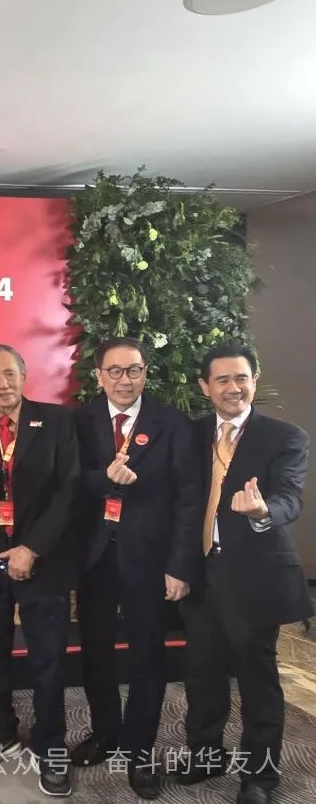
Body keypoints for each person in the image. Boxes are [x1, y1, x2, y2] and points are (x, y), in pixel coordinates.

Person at [174, 344, 311, 804]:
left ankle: (260, 776)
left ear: (254, 380)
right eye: (223, 380)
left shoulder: (284, 436)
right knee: (202, 673)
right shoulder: (191, 434)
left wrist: (262, 510)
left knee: (257, 679)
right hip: (201, 572)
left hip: (255, 576)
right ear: (205, 386)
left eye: (241, 378)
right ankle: (206, 755)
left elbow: (289, 496)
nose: (233, 388)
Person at [70, 337, 201, 799]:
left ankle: (140, 750)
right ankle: (106, 732)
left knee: (148, 656)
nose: (125, 380)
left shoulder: (173, 423)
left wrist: (180, 566)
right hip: (94, 558)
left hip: (150, 561)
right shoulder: (79, 420)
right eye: (115, 371)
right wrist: (103, 479)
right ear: (99, 375)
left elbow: (190, 500)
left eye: (134, 370)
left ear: (145, 372)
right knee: (95, 652)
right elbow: (68, 483)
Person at [0, 343, 80, 797]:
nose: (2, 384)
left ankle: (51, 746)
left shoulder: (57, 420)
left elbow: (69, 490)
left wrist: (33, 547)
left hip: (43, 558)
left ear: (24, 376)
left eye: (10, 374)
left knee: (48, 658)